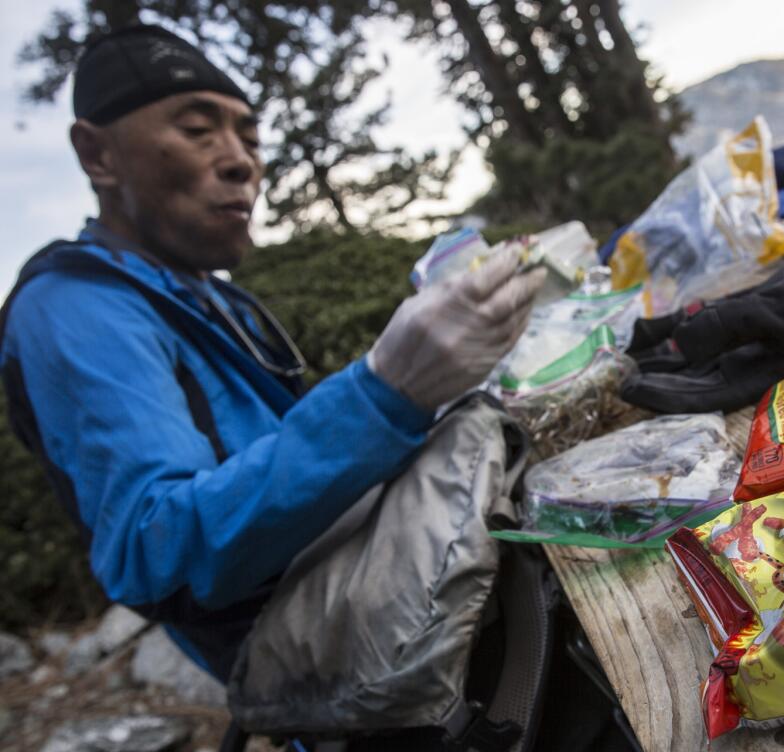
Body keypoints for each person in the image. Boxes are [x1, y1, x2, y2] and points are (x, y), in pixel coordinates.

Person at [0, 24, 545, 682]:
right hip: (305, 631)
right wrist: (386, 392)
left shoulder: (207, 294)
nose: (241, 161)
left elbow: (286, 459)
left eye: (250, 139)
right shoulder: (75, 306)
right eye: (198, 131)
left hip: (370, 561)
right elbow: (156, 551)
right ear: (98, 156)